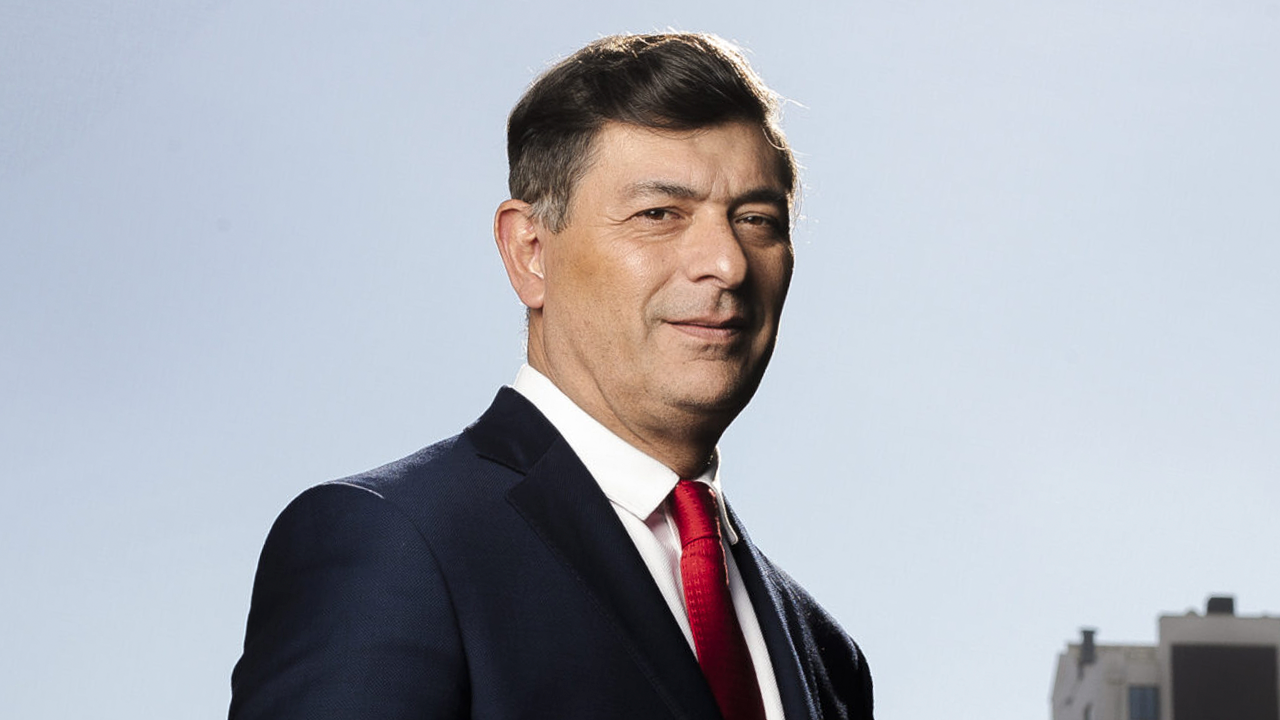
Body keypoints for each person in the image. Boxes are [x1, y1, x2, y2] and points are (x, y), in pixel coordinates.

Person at [229, 32, 873, 720]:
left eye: (756, 219)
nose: (726, 263)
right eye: (659, 215)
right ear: (530, 251)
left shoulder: (828, 657)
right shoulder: (393, 545)